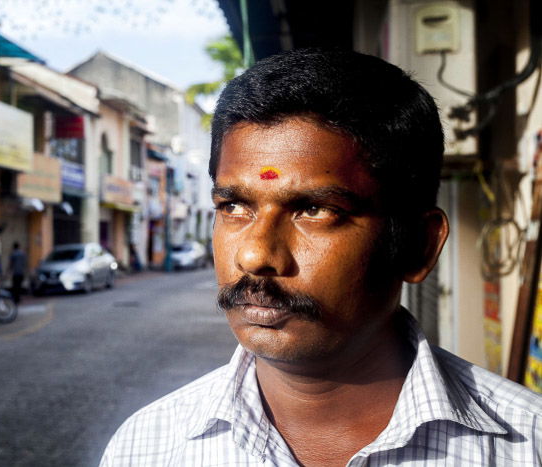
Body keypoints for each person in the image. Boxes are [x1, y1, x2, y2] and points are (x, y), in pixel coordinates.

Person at [99, 49, 542, 466]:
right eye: (234, 206)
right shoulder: (147, 447)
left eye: (315, 210)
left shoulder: (526, 444)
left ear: (418, 245)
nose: (254, 255)